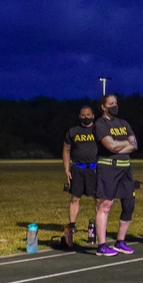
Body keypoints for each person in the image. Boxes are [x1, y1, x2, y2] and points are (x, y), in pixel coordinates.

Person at [93, 94, 138, 257]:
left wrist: (121, 146)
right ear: (103, 107)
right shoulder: (100, 124)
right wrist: (126, 144)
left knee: (129, 205)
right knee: (105, 205)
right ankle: (102, 245)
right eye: (111, 103)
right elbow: (110, 146)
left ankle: (120, 241)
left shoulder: (124, 123)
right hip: (108, 168)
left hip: (125, 168)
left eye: (116, 103)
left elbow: (135, 144)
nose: (114, 106)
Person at [62, 105, 98, 248]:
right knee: (75, 198)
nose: (86, 117)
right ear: (79, 116)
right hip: (78, 169)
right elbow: (66, 150)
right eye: (83, 115)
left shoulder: (98, 130)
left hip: (94, 169)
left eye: (88, 114)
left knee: (99, 200)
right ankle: (72, 225)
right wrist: (66, 169)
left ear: (93, 115)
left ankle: (97, 226)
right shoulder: (73, 131)